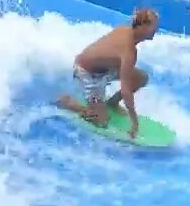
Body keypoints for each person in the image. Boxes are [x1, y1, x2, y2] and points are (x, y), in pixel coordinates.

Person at [57, 7, 160, 139]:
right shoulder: (129, 51)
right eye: (154, 26)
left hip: (105, 70)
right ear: (142, 26)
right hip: (88, 74)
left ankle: (111, 103)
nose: (156, 30)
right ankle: (69, 102)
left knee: (141, 78)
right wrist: (134, 123)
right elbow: (126, 91)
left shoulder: (126, 30)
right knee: (101, 121)